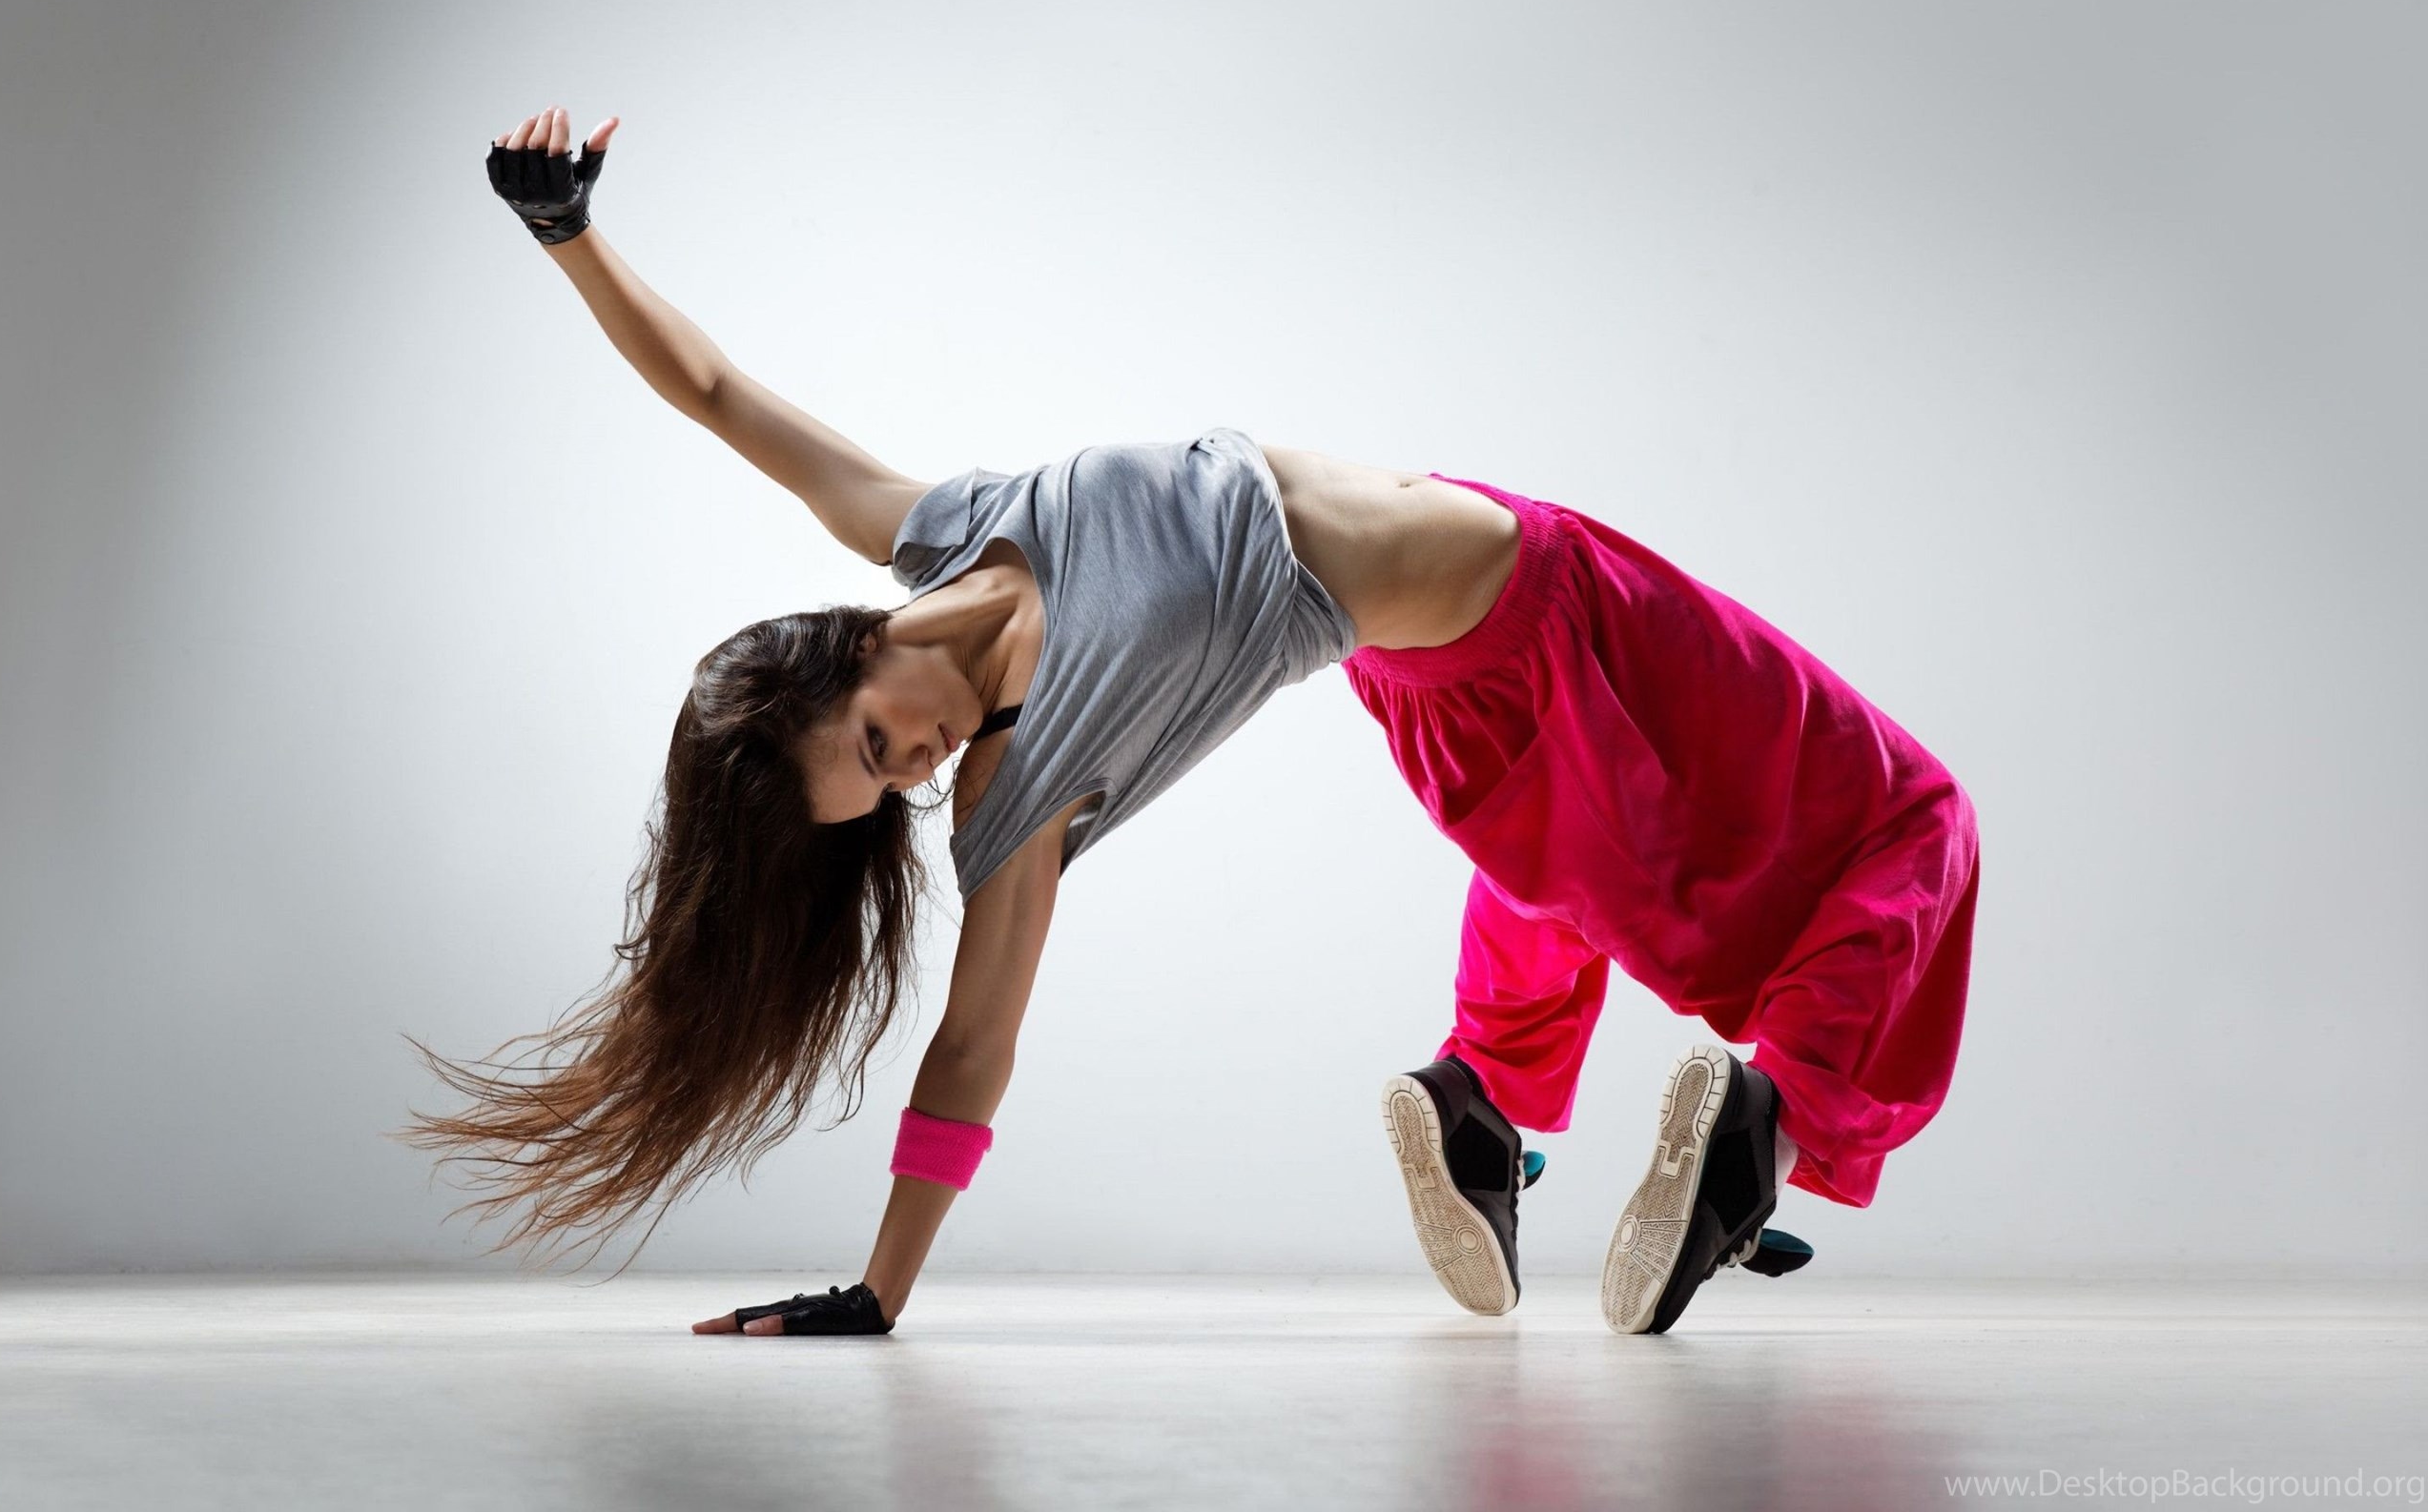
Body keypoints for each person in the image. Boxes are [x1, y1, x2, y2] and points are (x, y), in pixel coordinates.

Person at [401, 105, 1982, 1339]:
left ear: (840, 655)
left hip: (1448, 700)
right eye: (887, 793)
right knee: (1916, 821)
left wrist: (566, 233)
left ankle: (1484, 1115)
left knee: (1567, 884)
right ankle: (1765, 1130)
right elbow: (973, 1044)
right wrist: (880, 1291)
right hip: (1542, 604)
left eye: (877, 746)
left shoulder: (929, 525)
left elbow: (716, 394)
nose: (918, 770)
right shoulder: (1016, 796)